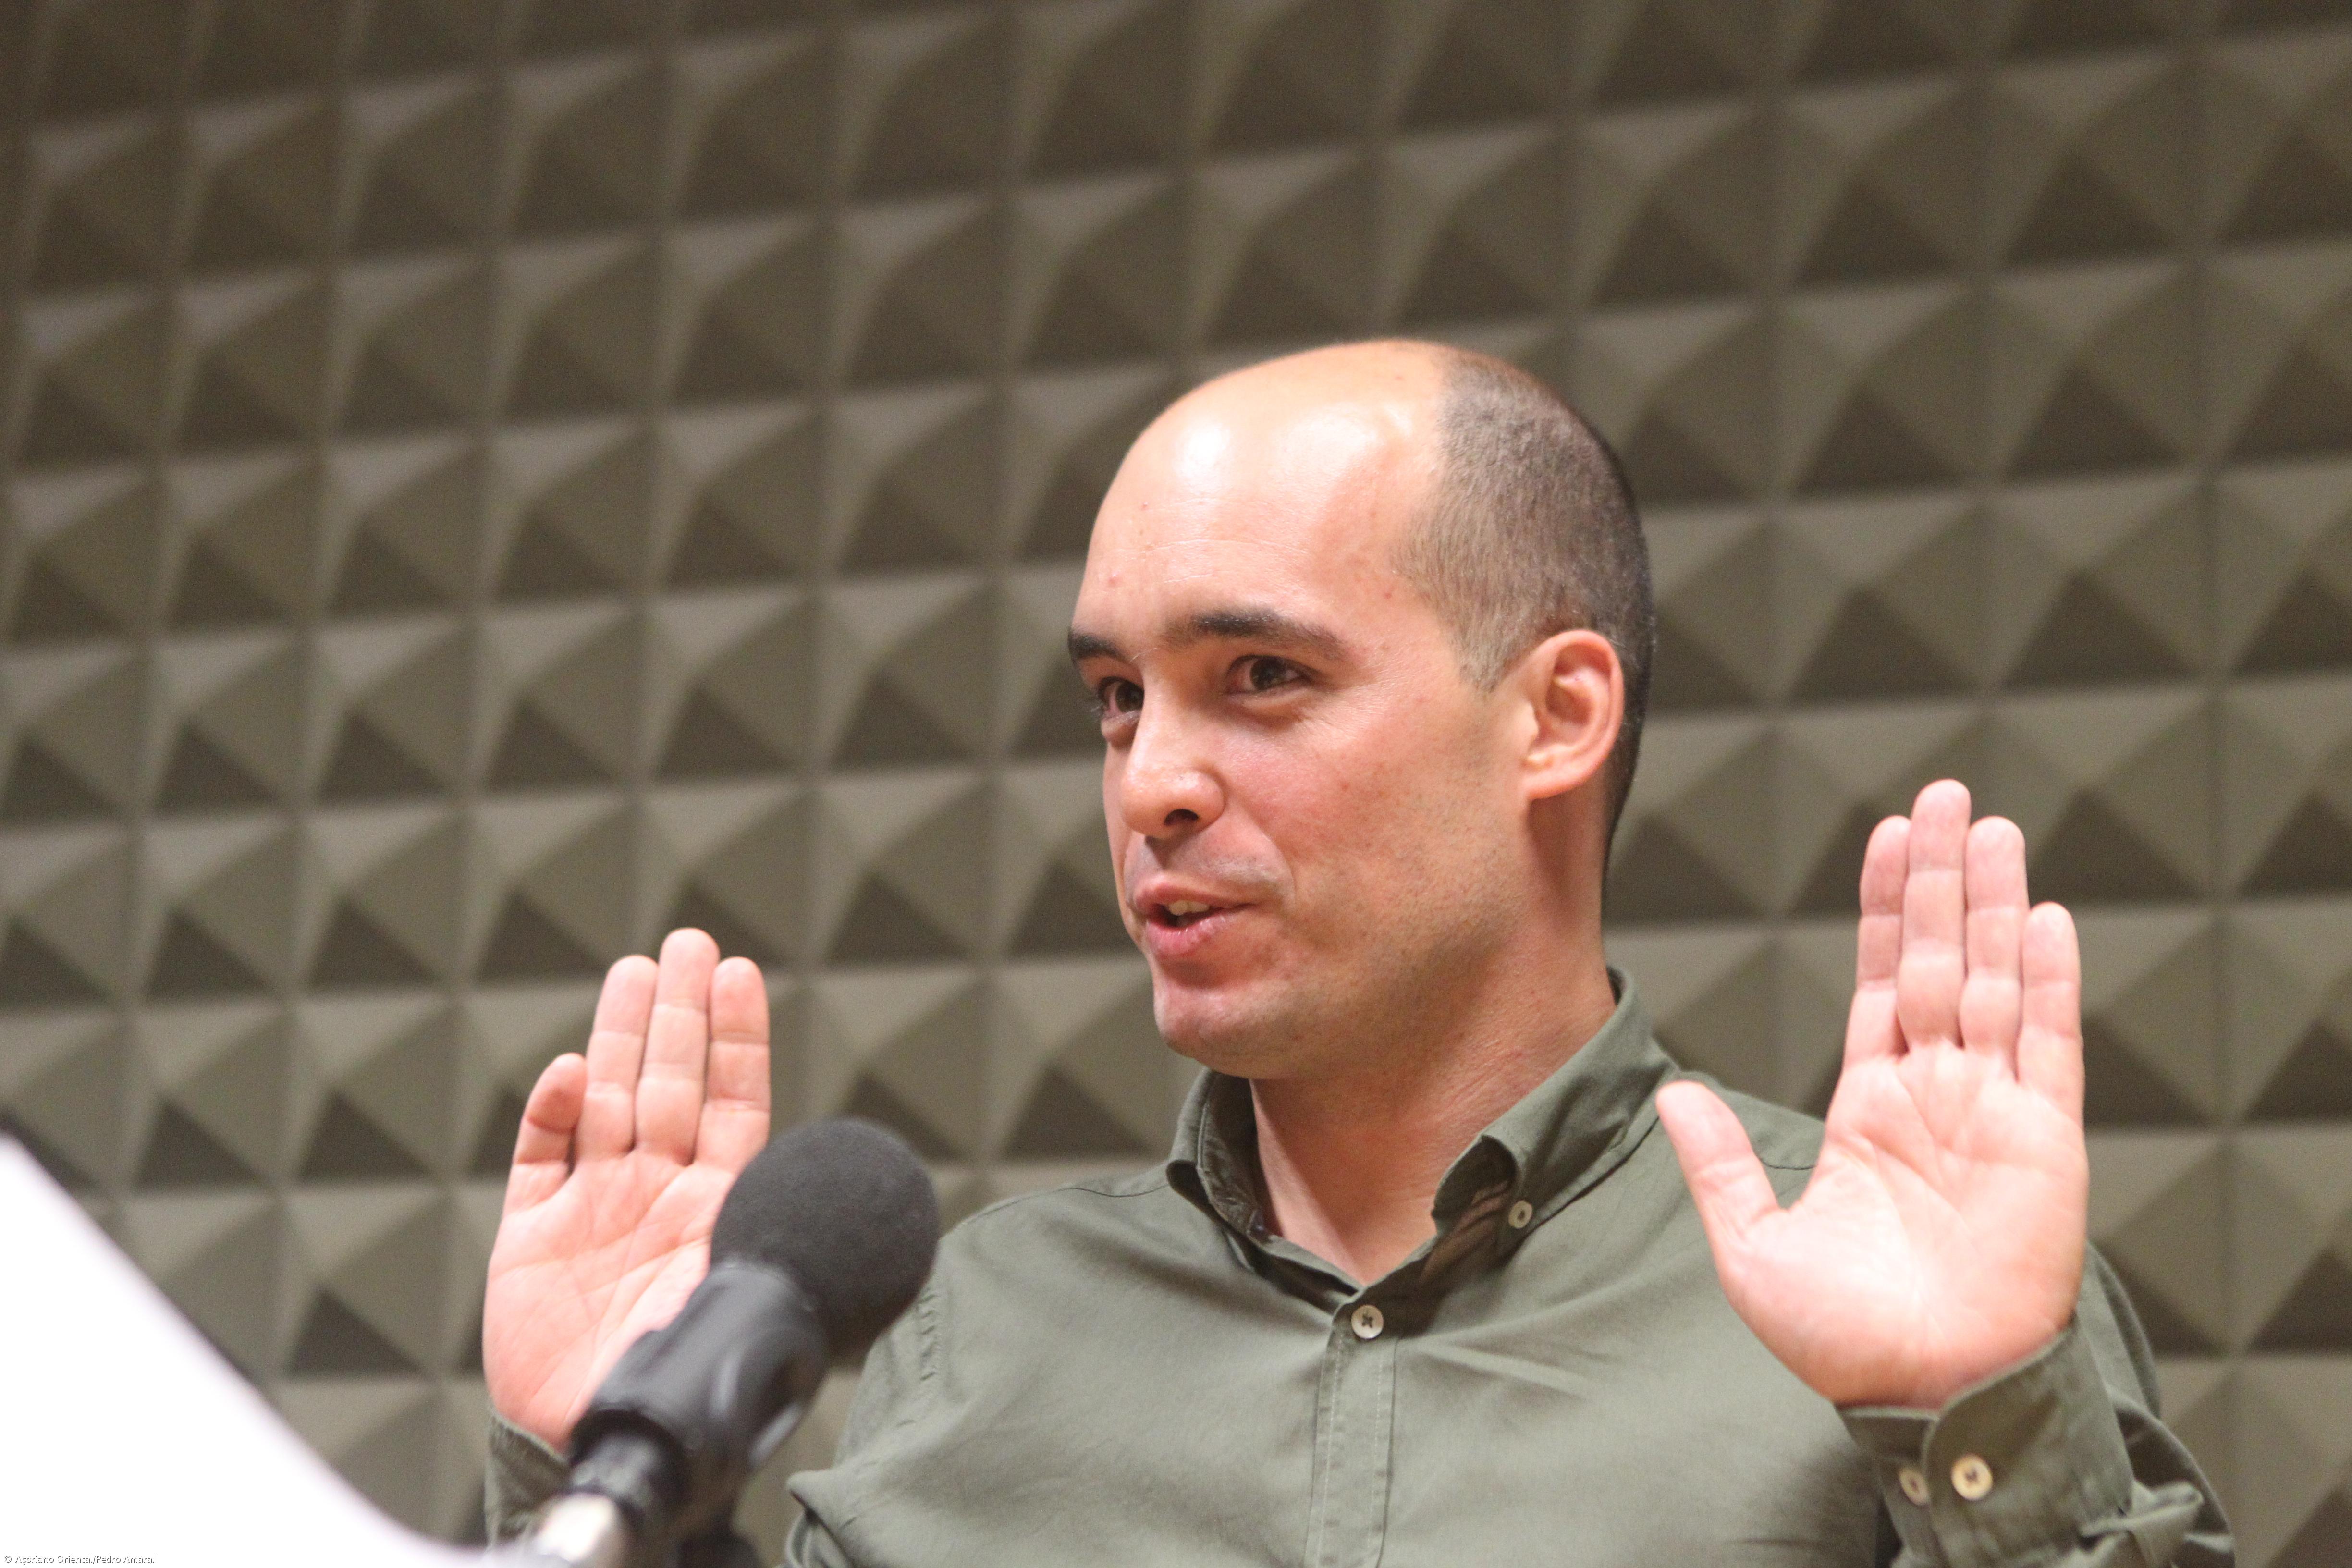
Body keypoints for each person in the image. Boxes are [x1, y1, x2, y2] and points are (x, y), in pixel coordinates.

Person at [479, 342, 2231, 1566]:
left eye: (1262, 678)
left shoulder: (1884, 1280)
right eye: (1117, 699)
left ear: (1556, 716)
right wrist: (609, 1472)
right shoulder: (969, 1328)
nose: (1150, 783)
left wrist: (1978, 1425)